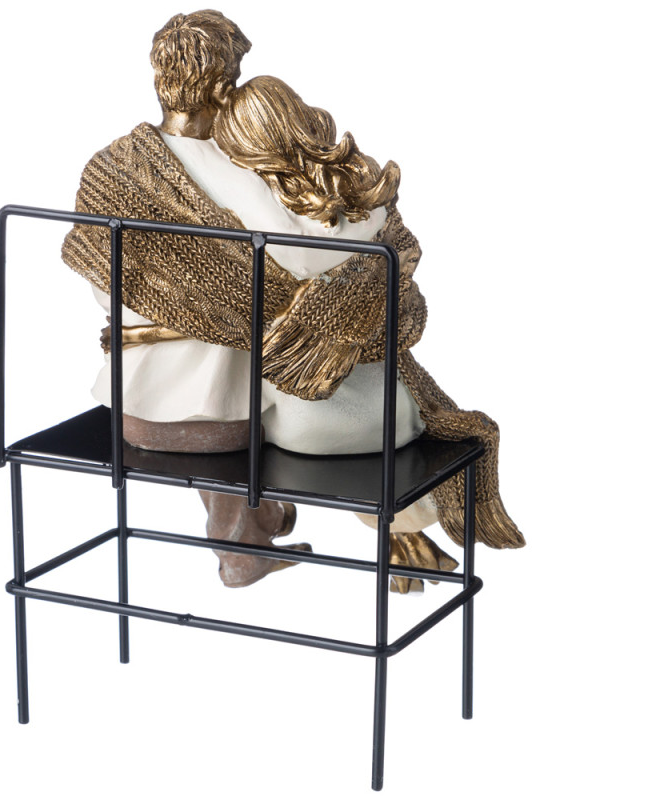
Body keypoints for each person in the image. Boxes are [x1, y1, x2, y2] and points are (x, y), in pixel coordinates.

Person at [61, 12, 524, 590]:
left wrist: (178, 309)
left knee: (276, 351)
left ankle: (256, 533)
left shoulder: (109, 167)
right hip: (218, 417)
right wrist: (365, 226)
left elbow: (102, 281)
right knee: (310, 369)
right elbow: (304, 260)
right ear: (222, 84)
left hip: (129, 399)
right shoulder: (237, 170)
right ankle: (254, 546)